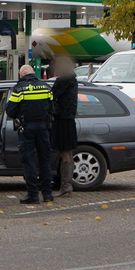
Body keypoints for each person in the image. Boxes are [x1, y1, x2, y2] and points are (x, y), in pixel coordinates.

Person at [6, 64, 55, 204]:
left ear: (21, 75)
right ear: (33, 73)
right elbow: (52, 108)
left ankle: (33, 195)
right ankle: (47, 194)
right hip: (43, 127)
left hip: (26, 128)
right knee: (44, 160)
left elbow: (10, 111)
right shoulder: (46, 87)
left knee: (28, 160)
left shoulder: (19, 89)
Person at [51, 57, 79, 197]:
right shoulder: (73, 80)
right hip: (69, 120)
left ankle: (66, 186)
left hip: (62, 120)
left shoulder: (62, 81)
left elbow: (51, 96)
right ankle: (66, 185)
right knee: (68, 154)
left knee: (64, 153)